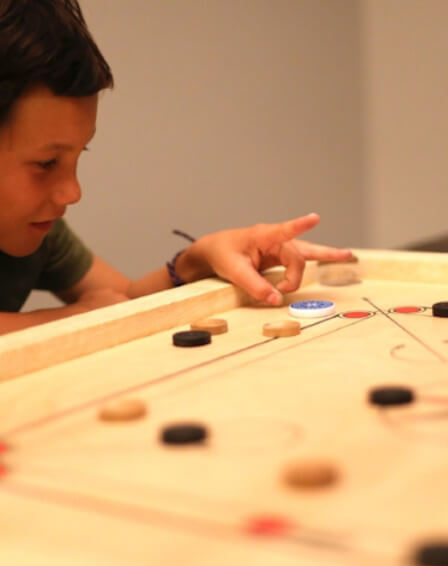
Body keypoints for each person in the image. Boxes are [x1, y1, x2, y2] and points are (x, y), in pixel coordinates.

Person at [0, 0, 352, 334]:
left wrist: (197, 259)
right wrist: (69, 319)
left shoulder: (42, 228)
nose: (73, 192)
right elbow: (96, 312)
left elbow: (124, 301)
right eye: (47, 163)